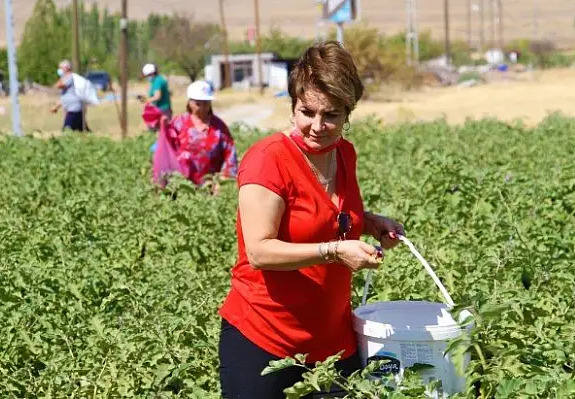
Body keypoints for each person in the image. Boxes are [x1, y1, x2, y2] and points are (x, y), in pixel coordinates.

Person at [217, 41, 405, 399]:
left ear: (348, 113)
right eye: (307, 111)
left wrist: (371, 222)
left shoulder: (343, 154)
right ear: (292, 105)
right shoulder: (267, 160)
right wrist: (334, 252)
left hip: (334, 342)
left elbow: (329, 216)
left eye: (331, 114)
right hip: (265, 337)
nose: (317, 125)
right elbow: (259, 251)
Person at [153, 80, 237, 191]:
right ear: (189, 103)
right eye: (198, 103)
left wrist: (223, 181)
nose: (202, 107)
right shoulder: (179, 123)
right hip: (182, 187)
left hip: (210, 187)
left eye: (206, 103)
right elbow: (167, 149)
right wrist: (163, 128)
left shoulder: (218, 127)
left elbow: (230, 155)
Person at [50, 59, 91, 132]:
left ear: (67, 68)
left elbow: (59, 85)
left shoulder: (70, 77)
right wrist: (56, 107)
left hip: (74, 109)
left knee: (67, 130)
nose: (59, 70)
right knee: (81, 130)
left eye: (61, 68)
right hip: (73, 109)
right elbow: (64, 97)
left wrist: (61, 78)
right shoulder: (66, 78)